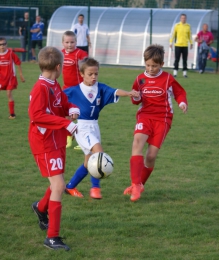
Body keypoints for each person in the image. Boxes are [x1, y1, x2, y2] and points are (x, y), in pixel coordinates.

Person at [63, 57, 139, 199]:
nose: (93, 77)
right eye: (90, 74)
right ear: (81, 74)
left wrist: (128, 93)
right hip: (82, 127)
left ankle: (70, 187)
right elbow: (57, 99)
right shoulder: (74, 90)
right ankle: (95, 188)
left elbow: (115, 91)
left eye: (96, 74)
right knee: (99, 153)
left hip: (94, 126)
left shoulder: (100, 88)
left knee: (88, 162)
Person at [29, 46, 80, 251]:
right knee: (59, 185)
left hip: (56, 139)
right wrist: (65, 123)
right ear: (58, 67)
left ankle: (40, 208)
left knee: (56, 180)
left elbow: (61, 102)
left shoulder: (54, 83)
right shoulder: (40, 88)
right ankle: (52, 237)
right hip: (44, 142)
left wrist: (71, 108)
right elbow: (36, 115)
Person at [123, 44, 188, 202]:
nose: (151, 69)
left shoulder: (167, 79)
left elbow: (180, 92)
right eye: (148, 65)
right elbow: (135, 100)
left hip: (163, 118)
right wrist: (136, 97)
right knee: (137, 143)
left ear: (162, 65)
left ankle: (140, 184)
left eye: (154, 66)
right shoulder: (140, 79)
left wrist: (182, 102)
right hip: (145, 116)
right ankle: (135, 184)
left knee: (151, 156)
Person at [61, 30, 88, 149]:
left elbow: (88, 68)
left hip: (79, 89)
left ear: (76, 42)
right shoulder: (60, 54)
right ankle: (68, 138)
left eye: (72, 42)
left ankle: (83, 140)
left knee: (81, 116)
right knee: (65, 114)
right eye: (67, 42)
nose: (70, 44)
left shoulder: (80, 54)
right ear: (63, 43)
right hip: (66, 89)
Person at [0, 37, 25, 119]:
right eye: (0, 44)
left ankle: (12, 114)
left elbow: (18, 63)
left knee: (9, 94)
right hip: (1, 78)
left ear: (6, 44)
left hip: (10, 78)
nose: (2, 46)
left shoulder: (10, 53)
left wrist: (21, 75)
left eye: (4, 44)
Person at [169, 14, 193, 78]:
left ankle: (184, 73)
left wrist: (191, 43)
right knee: (177, 59)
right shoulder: (177, 25)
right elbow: (173, 34)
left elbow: (190, 35)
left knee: (185, 60)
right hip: (178, 45)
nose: (183, 19)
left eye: (184, 18)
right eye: (182, 18)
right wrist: (171, 42)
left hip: (185, 45)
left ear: (186, 19)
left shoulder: (188, 26)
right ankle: (175, 73)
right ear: (180, 19)